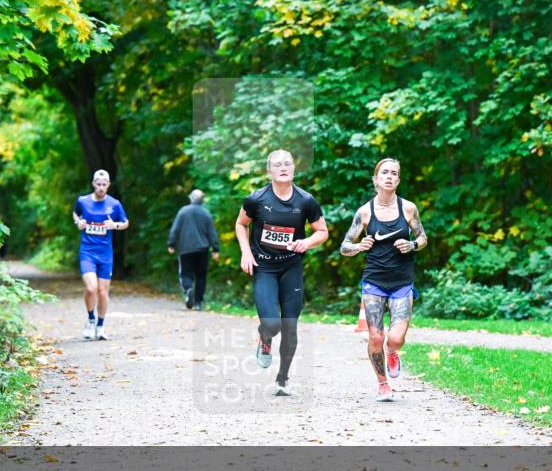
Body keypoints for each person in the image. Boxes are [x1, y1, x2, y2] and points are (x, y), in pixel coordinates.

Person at [235, 149, 329, 396]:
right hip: (264, 267)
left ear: (294, 169)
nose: (283, 167)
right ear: (269, 171)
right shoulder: (256, 199)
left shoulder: (306, 201)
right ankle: (265, 338)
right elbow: (241, 224)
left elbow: (322, 231)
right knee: (272, 323)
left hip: (291, 267)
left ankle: (282, 380)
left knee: (290, 325)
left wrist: (307, 242)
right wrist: (246, 252)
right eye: (277, 164)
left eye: (288, 163)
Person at [340, 157, 427, 402]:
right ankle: (382, 384)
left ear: (398, 180)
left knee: (396, 338)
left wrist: (411, 244)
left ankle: (393, 353)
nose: (389, 176)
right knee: (375, 336)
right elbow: (344, 246)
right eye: (385, 172)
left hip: (402, 282)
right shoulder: (365, 212)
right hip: (374, 282)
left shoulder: (408, 208)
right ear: (376, 179)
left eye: (394, 173)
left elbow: (423, 239)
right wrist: (359, 247)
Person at [73, 169, 129, 340]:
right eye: (99, 184)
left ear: (109, 185)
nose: (101, 187)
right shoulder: (83, 201)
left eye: (105, 184)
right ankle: (90, 319)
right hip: (87, 251)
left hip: (105, 253)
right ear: (93, 184)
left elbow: (126, 222)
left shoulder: (114, 204)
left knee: (103, 292)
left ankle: (100, 326)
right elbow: (76, 213)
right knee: (91, 288)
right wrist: (79, 222)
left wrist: (115, 226)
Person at [168, 189, 220, 310]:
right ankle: (198, 303)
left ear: (191, 198)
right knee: (201, 276)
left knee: (185, 273)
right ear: (202, 200)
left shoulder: (183, 211)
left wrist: (171, 243)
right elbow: (212, 233)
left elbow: (175, 229)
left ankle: (188, 289)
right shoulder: (206, 213)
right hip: (203, 249)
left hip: (185, 249)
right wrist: (216, 249)